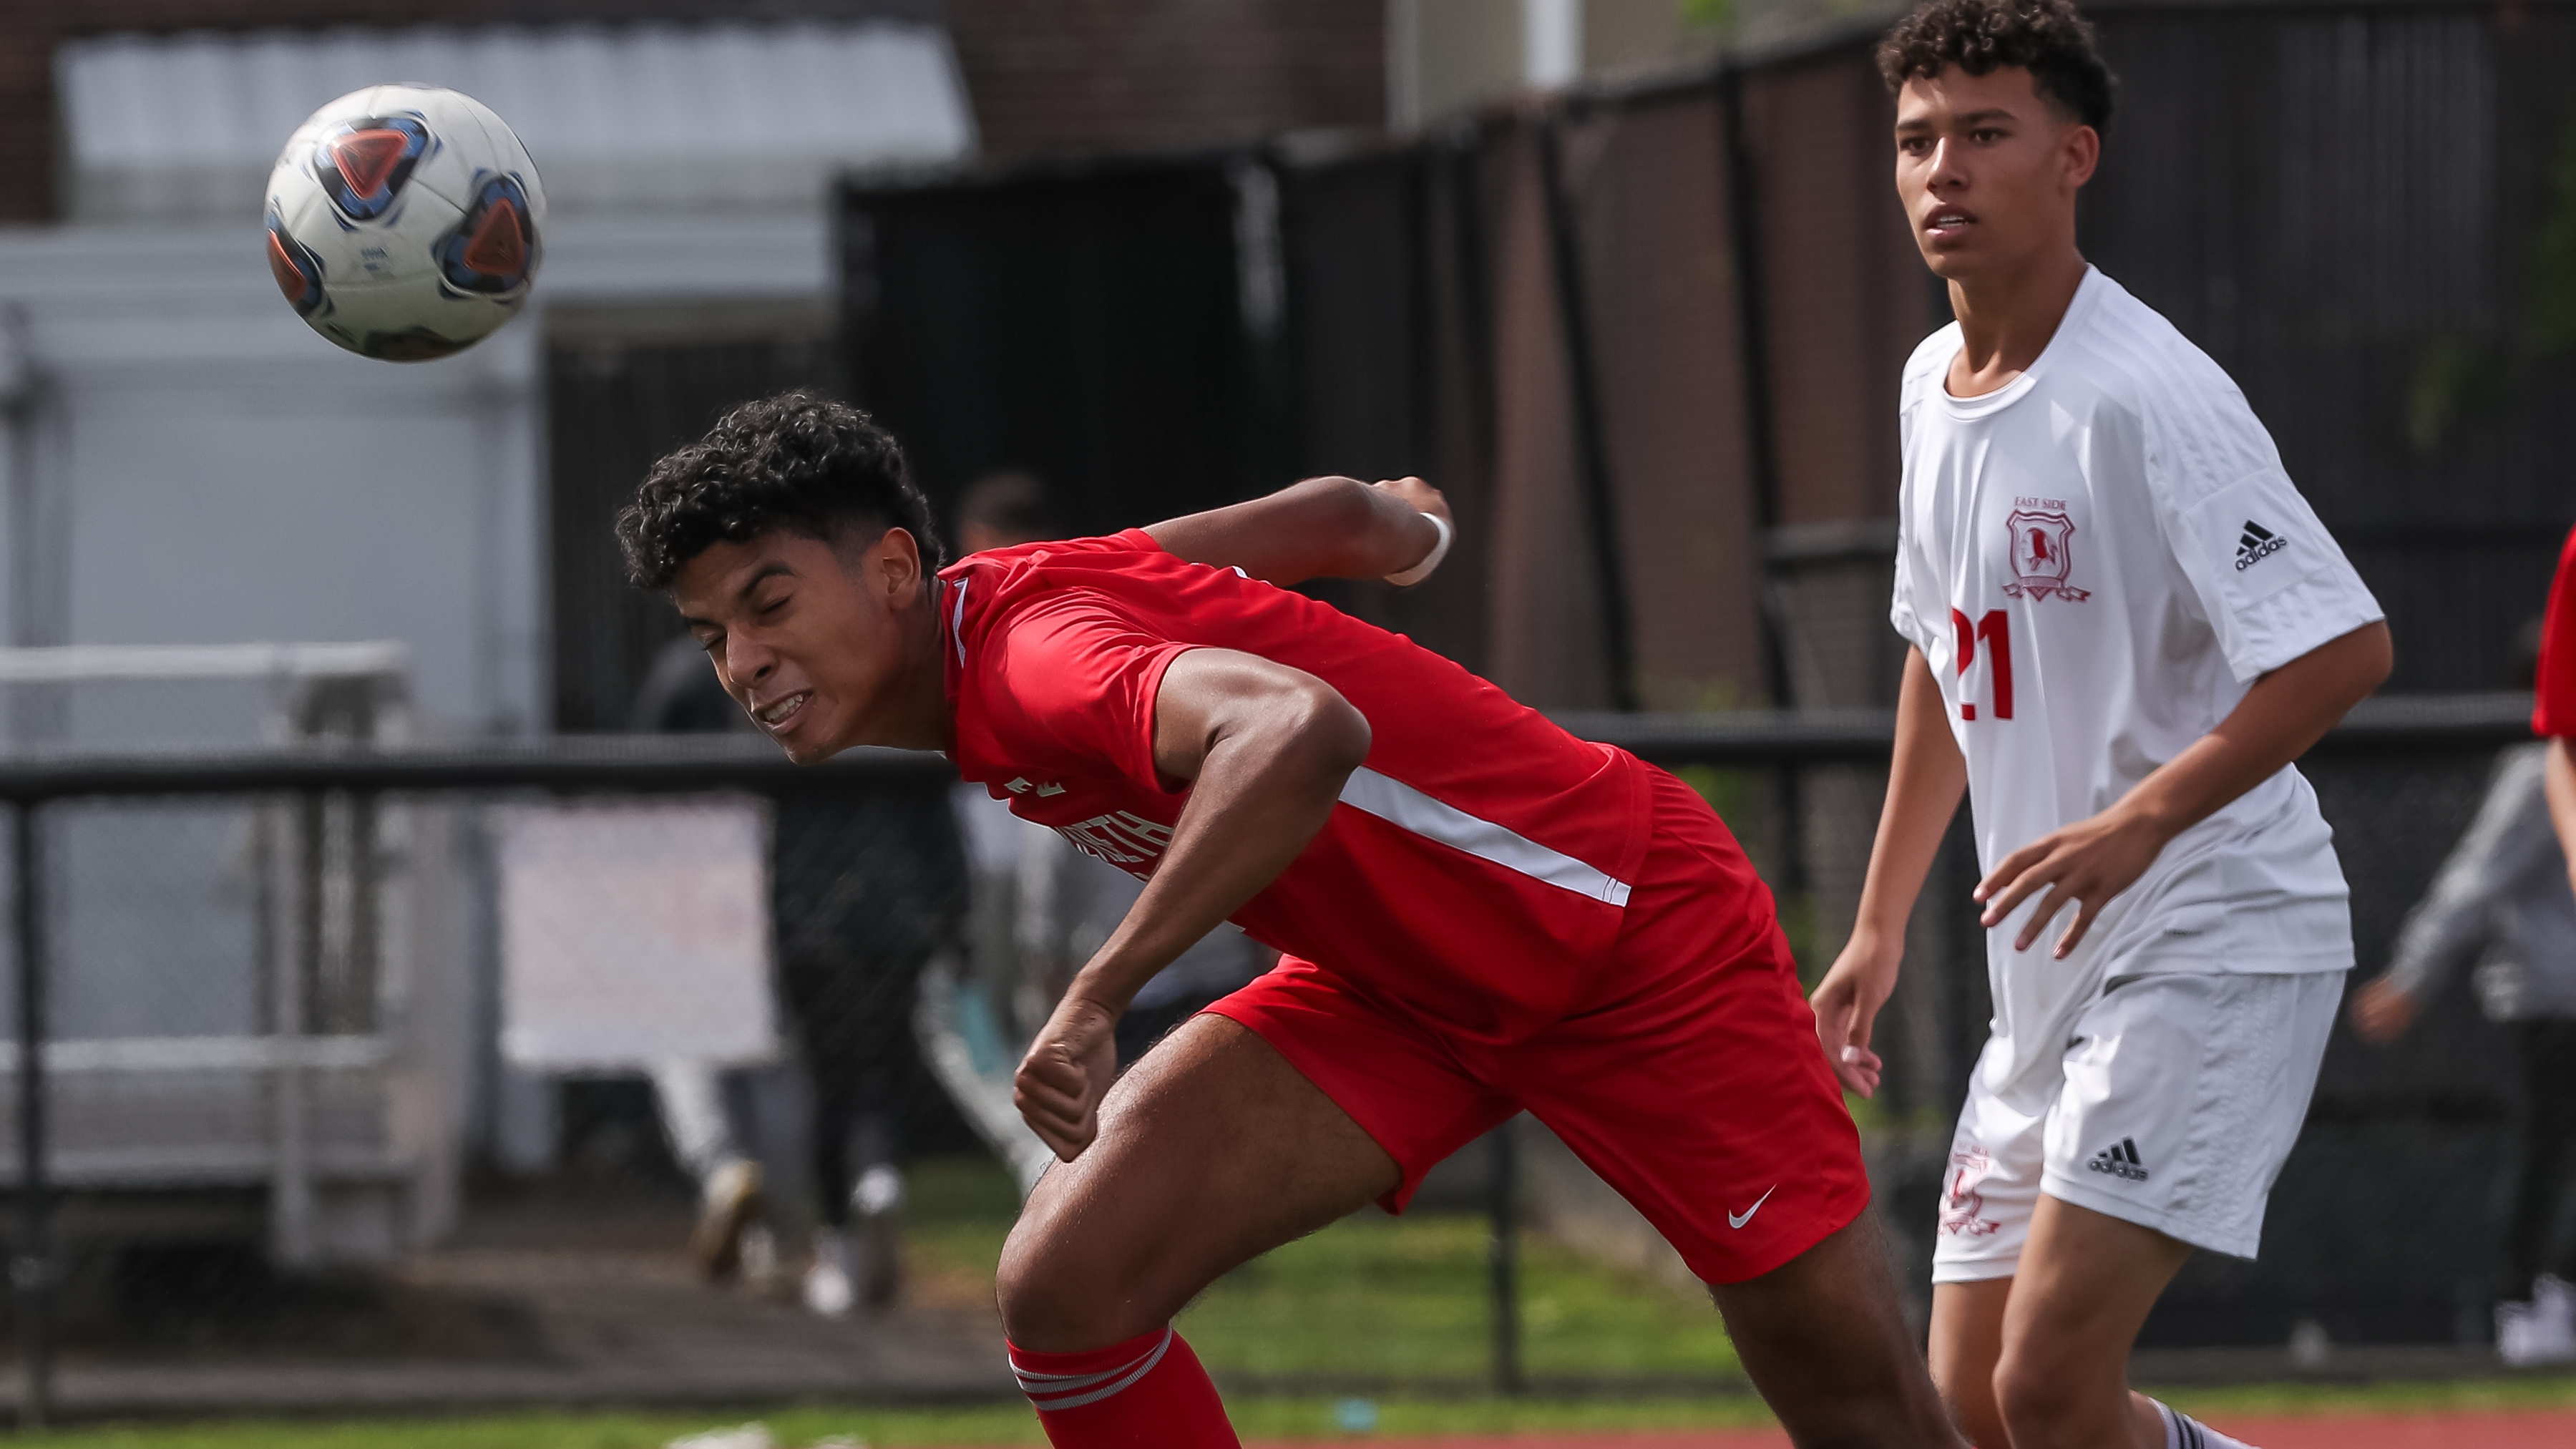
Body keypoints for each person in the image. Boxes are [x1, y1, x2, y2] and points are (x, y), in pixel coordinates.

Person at [615, 391, 1961, 1448]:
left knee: (1868, 1424)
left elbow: (1300, 730)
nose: (742, 663)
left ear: (897, 570)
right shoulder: (1000, 604)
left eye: (769, 604)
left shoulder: (1028, 665)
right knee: (1068, 1288)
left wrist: (1097, 996)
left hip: (1626, 939)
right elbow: (1314, 520)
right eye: (710, 633)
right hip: (1397, 990)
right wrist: (1403, 529)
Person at [1806, 4, 2394, 1446]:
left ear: (2074, 157)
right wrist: (1880, 922)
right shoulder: (1926, 396)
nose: (1944, 169)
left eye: (1985, 134)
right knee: (1971, 1406)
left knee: (2048, 1386)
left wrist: (2144, 819)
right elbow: (1948, 657)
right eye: (1916, 139)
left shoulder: (2147, 395)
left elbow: (2343, 647)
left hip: (2212, 932)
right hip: (2048, 984)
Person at [631, 625, 970, 1317]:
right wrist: (950, 912)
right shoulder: (855, 671)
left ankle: (738, 1185)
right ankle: (865, 1185)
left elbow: (643, 794)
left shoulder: (736, 677)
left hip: (776, 909)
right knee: (832, 1069)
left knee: (718, 1053)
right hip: (850, 909)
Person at [2348, 623, 2576, 1363]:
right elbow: (2471, 884)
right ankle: (2529, 1301)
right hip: (2552, 1000)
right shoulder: (2537, 768)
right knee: (2548, 1151)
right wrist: (2413, 976)